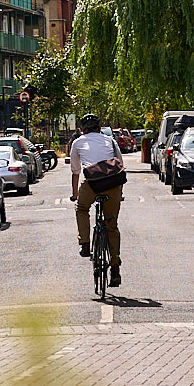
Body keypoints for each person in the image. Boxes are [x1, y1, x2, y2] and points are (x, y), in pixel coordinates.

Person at [70, 112, 125, 286]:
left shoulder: (78, 142)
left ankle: (85, 243)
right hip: (112, 183)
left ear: (82, 130)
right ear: (100, 129)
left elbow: (75, 171)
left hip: (92, 183)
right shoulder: (110, 141)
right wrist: (120, 193)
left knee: (81, 209)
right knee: (111, 226)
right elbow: (120, 165)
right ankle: (115, 265)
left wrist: (75, 194)